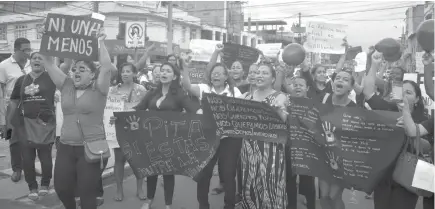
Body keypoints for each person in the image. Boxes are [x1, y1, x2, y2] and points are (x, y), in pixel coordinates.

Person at [43, 28, 114, 209]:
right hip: (65, 147)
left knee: (86, 193)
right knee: (62, 188)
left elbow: (106, 66)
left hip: (90, 148)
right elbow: (49, 63)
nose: (76, 71)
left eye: (82, 69)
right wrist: (48, 37)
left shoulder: (100, 90)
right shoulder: (66, 85)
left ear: (92, 75)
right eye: (75, 69)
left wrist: (101, 42)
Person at [123, 62, 200, 209]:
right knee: (152, 170)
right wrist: (119, 116)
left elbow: (194, 110)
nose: (163, 73)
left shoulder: (179, 94)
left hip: (169, 141)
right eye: (162, 70)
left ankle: (168, 204)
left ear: (174, 76)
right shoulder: (152, 92)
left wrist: (205, 116)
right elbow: (138, 108)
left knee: (167, 172)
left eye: (168, 71)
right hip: (151, 139)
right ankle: (149, 200)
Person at [363, 51, 429, 209]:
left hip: (406, 179)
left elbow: (427, 147)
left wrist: (410, 132)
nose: (404, 96)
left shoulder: (423, 119)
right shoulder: (389, 110)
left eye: (409, 93)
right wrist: (374, 63)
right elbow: (368, 91)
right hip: (384, 177)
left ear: (418, 99)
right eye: (402, 92)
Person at [181, 52, 242, 209]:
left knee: (228, 175)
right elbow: (187, 86)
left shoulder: (236, 93)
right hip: (207, 138)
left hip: (229, 139)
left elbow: (242, 114)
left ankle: (229, 205)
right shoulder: (204, 89)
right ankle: (203, 205)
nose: (216, 76)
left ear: (225, 77)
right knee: (204, 174)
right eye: (213, 74)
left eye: (219, 74)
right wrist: (185, 68)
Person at [238, 63, 288, 209]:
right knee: (250, 183)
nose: (259, 75)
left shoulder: (280, 96)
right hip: (248, 149)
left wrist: (279, 108)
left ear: (273, 79)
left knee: (270, 183)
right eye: (258, 72)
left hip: (270, 150)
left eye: (264, 73)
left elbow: (284, 119)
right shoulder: (246, 96)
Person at [8, 52, 56, 200]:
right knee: (27, 158)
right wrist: (9, 122)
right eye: (34, 58)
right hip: (24, 124)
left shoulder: (52, 78)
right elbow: (14, 101)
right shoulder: (22, 80)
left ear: (45, 62)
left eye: (40, 58)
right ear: (31, 61)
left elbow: (65, 68)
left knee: (45, 157)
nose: (37, 60)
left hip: (45, 125)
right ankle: (32, 187)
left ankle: (45, 185)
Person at [317, 70, 357, 209]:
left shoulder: (354, 108)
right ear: (333, 83)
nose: (340, 81)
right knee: (324, 196)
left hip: (342, 158)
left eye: (345, 79)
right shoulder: (323, 98)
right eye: (337, 78)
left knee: (334, 196)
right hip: (323, 155)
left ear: (351, 87)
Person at [109, 63, 147, 202]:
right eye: (123, 71)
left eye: (128, 71)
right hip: (118, 130)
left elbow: (145, 109)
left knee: (137, 161)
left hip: (136, 130)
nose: (125, 74)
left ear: (134, 74)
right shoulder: (113, 90)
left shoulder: (141, 90)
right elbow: (108, 109)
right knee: (119, 161)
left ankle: (140, 188)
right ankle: (119, 190)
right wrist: (111, 118)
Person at [0, 37, 33, 182]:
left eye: (29, 49)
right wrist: (2, 119)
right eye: (25, 50)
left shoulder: (32, 65)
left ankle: (29, 167)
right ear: (15, 50)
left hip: (32, 107)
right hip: (13, 108)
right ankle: (17, 169)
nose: (28, 53)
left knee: (31, 139)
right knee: (15, 141)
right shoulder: (4, 66)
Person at [285, 76, 317, 209]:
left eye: (301, 85)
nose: (297, 87)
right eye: (295, 85)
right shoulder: (286, 103)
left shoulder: (314, 105)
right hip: (289, 147)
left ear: (307, 88)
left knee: (307, 182)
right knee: (289, 180)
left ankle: (310, 206)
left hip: (307, 149)